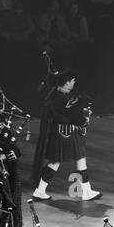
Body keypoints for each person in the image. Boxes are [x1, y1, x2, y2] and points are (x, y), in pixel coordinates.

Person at [31, 71, 101, 201]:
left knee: (56, 162)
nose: (74, 83)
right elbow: (72, 117)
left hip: (60, 134)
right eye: (73, 81)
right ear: (67, 82)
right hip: (67, 134)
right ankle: (86, 192)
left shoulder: (56, 95)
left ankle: (40, 191)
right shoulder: (61, 98)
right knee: (80, 159)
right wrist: (84, 118)